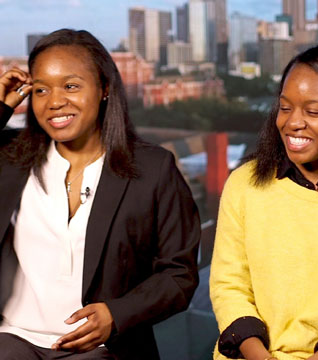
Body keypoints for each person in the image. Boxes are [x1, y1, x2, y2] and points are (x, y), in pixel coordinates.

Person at [0, 28, 200, 359]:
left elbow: (179, 275)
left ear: (104, 88)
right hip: (12, 340)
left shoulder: (152, 169)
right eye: (40, 89)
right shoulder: (10, 158)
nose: (54, 102)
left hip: (103, 348)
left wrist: (117, 314)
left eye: (71, 86)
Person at [210, 43, 318, 360]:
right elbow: (228, 285)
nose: (292, 123)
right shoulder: (244, 184)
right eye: (285, 107)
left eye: (314, 111)